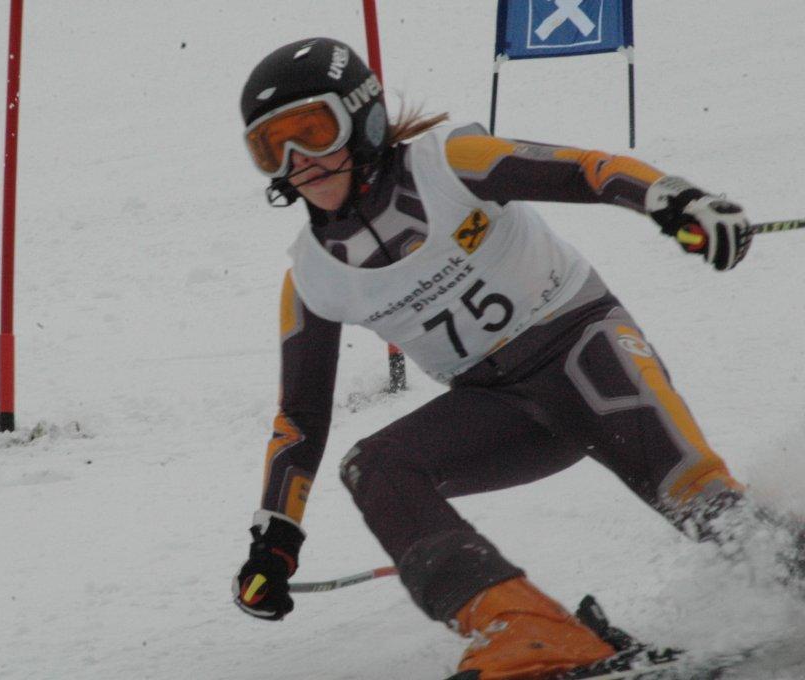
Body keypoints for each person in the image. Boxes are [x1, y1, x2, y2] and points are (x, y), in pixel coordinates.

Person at [229, 37, 788, 679]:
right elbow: (301, 420)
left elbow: (587, 170)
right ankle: (527, 630)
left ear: (364, 118)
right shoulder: (313, 277)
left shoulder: (446, 164)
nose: (299, 162)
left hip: (584, 354)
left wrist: (675, 199)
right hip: (499, 410)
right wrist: (276, 538)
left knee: (704, 505)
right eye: (271, 148)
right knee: (375, 468)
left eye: (311, 132)